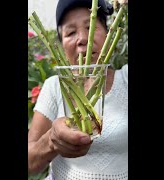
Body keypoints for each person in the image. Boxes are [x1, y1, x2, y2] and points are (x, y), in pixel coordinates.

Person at [28, 0, 128, 179]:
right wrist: (51, 141)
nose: (83, 39)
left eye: (90, 27)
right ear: (61, 46)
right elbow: (30, 163)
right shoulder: (54, 86)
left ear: (107, 34)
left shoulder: (126, 78)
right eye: (71, 32)